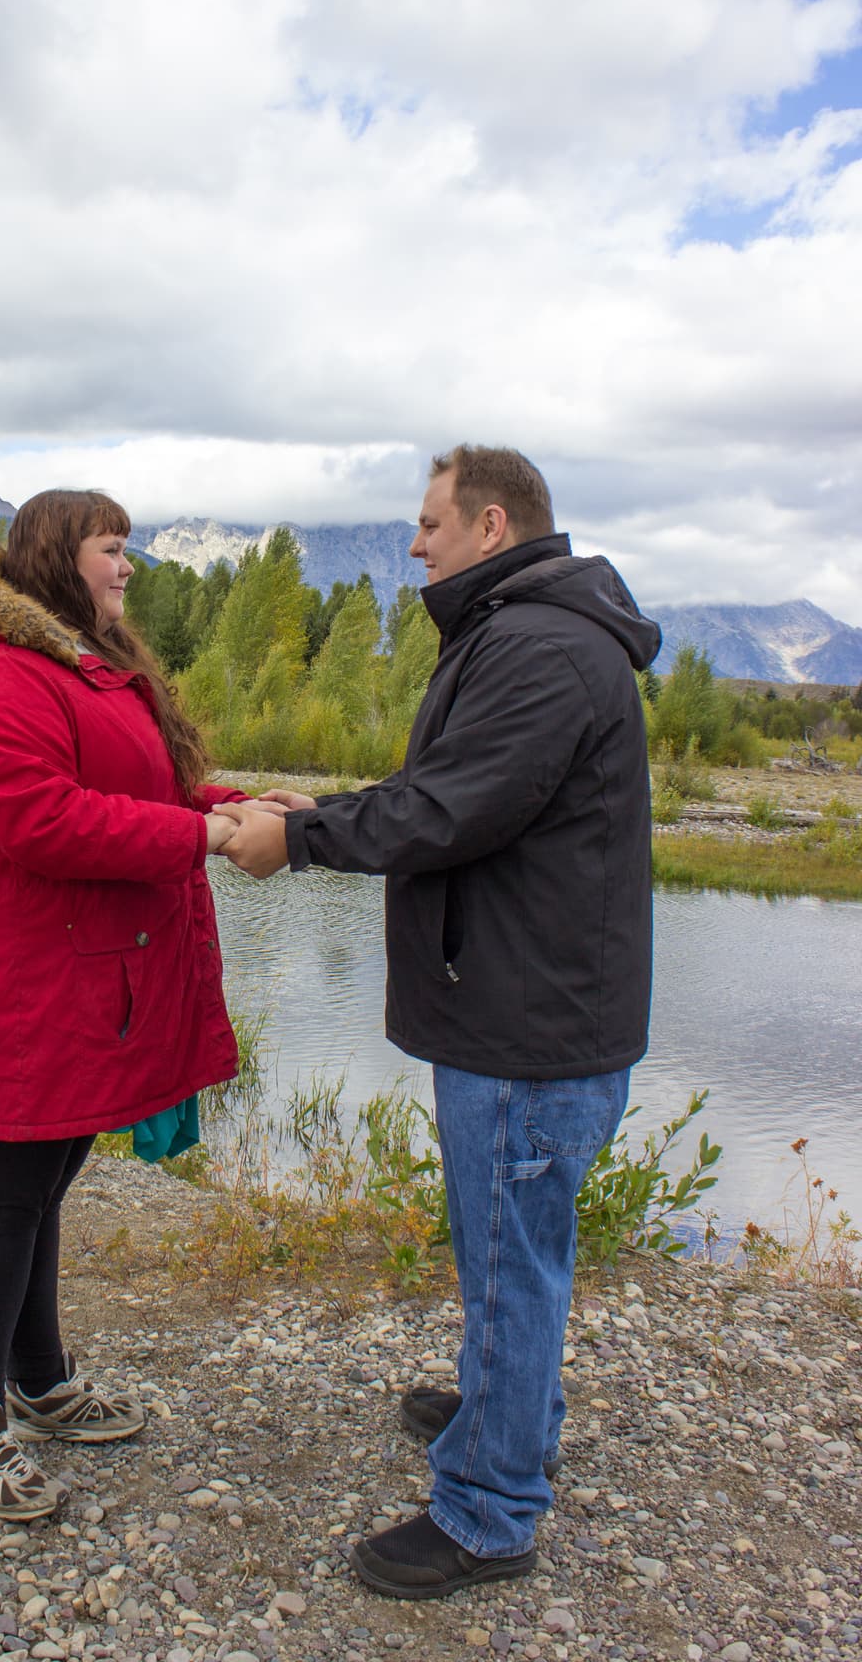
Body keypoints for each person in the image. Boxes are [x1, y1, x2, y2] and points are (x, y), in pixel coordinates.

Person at [217, 444, 660, 1600]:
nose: (413, 544)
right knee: (508, 1255)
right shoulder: (529, 634)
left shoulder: (537, 647)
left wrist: (300, 837)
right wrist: (327, 811)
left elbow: (453, 808)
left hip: (525, 1023)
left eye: (427, 524)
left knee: (511, 1266)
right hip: (526, 1005)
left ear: (491, 525)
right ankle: (507, 1413)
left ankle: (487, 1513)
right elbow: (460, 793)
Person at [0, 489, 244, 1522]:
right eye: (111, 548)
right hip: (6, 986)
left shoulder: (77, 669)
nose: (126, 566)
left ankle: (38, 1385)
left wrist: (234, 809)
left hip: (68, 981)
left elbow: (134, 795)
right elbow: (35, 820)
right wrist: (205, 841)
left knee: (40, 1191)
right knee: (1, 1202)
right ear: (59, 558)